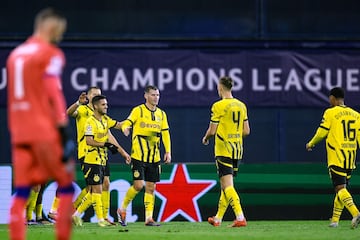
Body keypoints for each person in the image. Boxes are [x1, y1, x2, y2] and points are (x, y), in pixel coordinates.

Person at [7, 8, 75, 240]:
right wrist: (63, 130)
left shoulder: (15, 55)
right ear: (51, 26)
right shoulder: (50, 53)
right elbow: (53, 92)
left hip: (19, 132)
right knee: (66, 183)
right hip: (43, 131)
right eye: (61, 30)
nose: (61, 35)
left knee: (22, 190)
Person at [49, 87, 129, 225]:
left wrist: (122, 151)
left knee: (103, 184)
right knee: (93, 187)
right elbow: (69, 113)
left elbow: (109, 135)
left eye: (99, 94)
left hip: (102, 154)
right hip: (87, 152)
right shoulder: (84, 110)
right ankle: (69, 212)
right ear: (89, 97)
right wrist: (78, 103)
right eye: (94, 94)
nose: (98, 96)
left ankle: (101, 216)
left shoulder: (103, 117)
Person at [116, 85, 171, 227]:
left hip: (154, 157)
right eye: (153, 95)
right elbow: (127, 122)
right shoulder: (138, 110)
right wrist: (125, 128)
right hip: (138, 156)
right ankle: (122, 209)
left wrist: (168, 151)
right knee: (139, 185)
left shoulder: (161, 114)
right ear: (145, 96)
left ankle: (149, 218)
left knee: (151, 187)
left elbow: (165, 133)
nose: (156, 98)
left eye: (157, 95)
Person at [72, 95, 130, 227]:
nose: (106, 106)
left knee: (94, 191)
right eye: (103, 104)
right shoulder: (90, 122)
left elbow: (118, 124)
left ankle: (75, 215)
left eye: (106, 104)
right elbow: (88, 140)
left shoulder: (105, 120)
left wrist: (126, 126)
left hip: (102, 160)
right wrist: (105, 144)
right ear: (96, 106)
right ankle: (100, 219)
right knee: (96, 190)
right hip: (91, 159)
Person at [306, 87, 360, 228]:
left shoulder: (330, 112)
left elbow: (322, 132)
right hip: (350, 157)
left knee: (340, 189)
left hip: (336, 156)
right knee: (342, 189)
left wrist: (311, 143)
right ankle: (334, 221)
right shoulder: (356, 115)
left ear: (332, 98)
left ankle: (355, 213)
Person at [202, 76, 250, 227]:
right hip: (237, 150)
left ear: (221, 88)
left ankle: (240, 217)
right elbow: (247, 131)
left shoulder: (218, 106)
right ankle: (218, 218)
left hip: (224, 149)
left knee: (227, 185)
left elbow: (212, 130)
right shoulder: (241, 105)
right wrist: (234, 135)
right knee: (226, 185)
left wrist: (206, 138)